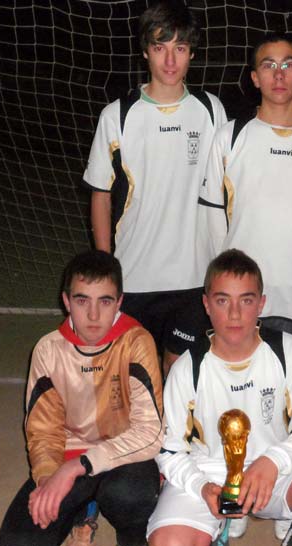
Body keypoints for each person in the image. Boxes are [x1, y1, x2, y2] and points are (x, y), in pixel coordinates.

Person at [146, 249, 292, 546]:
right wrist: (202, 487)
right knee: (168, 542)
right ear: (206, 304)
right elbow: (169, 450)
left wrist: (273, 460)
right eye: (223, 301)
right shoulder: (188, 368)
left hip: (277, 470)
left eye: (246, 300)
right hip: (211, 473)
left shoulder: (288, 351)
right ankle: (223, 516)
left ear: (261, 304)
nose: (235, 314)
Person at [83, 1, 227, 374]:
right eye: (160, 47)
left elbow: (227, 189)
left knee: (180, 376)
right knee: (135, 379)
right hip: (134, 274)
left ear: (192, 53)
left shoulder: (210, 110)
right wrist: (106, 268)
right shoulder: (117, 115)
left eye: (180, 48)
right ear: (146, 50)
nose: (170, 60)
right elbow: (100, 193)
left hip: (195, 275)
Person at [0, 249, 164, 546]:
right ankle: (83, 509)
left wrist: (78, 467)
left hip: (123, 459)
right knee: (17, 541)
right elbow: (43, 432)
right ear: (66, 301)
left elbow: (150, 432)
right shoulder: (48, 350)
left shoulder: (136, 342)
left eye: (105, 301)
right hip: (67, 457)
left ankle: (130, 533)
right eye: (82, 300)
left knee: (130, 496)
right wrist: (47, 480)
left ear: (119, 302)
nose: (93, 315)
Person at [197, 32, 292, 348]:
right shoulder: (229, 137)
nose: (279, 75)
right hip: (243, 297)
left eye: (288, 65)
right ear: (255, 77)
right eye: (269, 65)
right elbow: (213, 223)